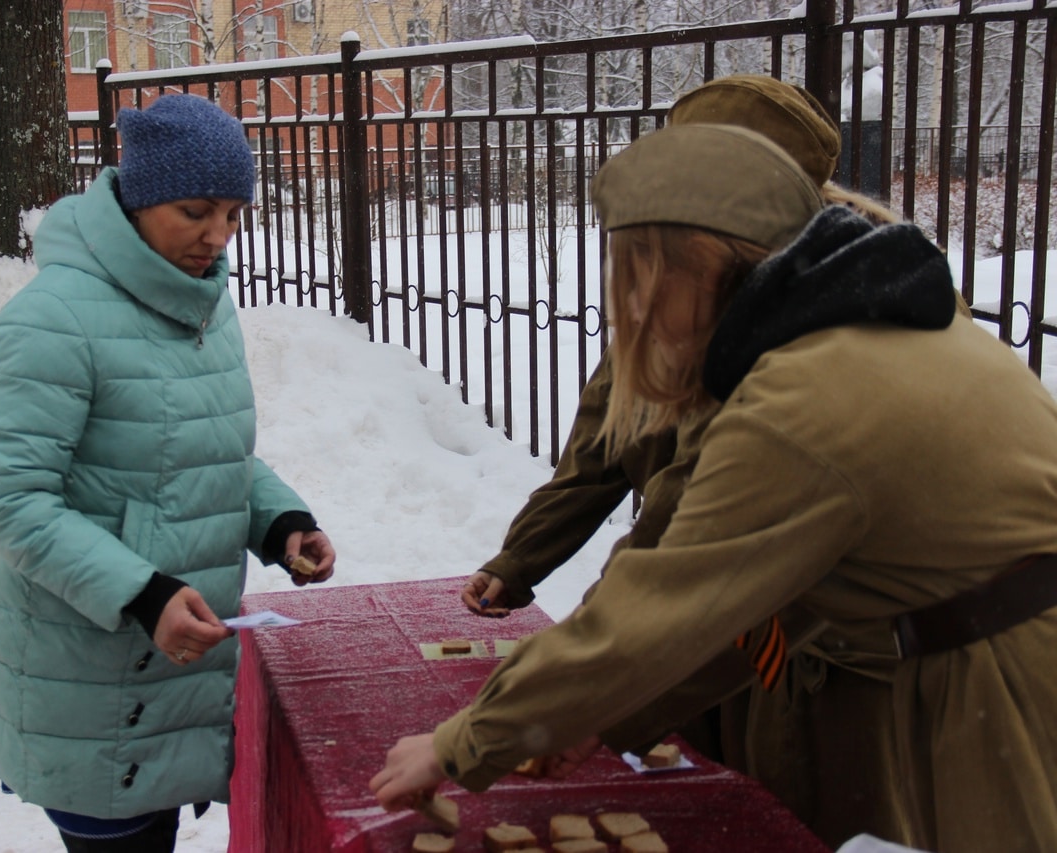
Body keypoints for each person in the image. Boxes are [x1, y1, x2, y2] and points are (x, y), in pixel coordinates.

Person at [372, 123, 1057, 853]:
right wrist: (598, 715)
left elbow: (663, 600)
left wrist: (461, 743)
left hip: (995, 684)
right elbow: (763, 605)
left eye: (636, 281)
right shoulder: (846, 331)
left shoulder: (803, 395)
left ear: (695, 267)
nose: (630, 313)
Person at [456, 75, 957, 847]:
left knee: (791, 818)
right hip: (704, 628)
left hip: (807, 654)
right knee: (696, 807)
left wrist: (568, 686)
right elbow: (597, 452)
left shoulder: (820, 332)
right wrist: (521, 559)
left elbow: (678, 532)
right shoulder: (678, 297)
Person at [0, 93, 336, 853]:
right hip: (93, 680)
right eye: (196, 210)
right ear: (138, 200)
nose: (218, 235)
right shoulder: (56, 317)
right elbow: (11, 501)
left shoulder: (201, 302)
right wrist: (145, 594)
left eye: (234, 213)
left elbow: (205, 450)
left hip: (170, 670)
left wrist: (281, 521)